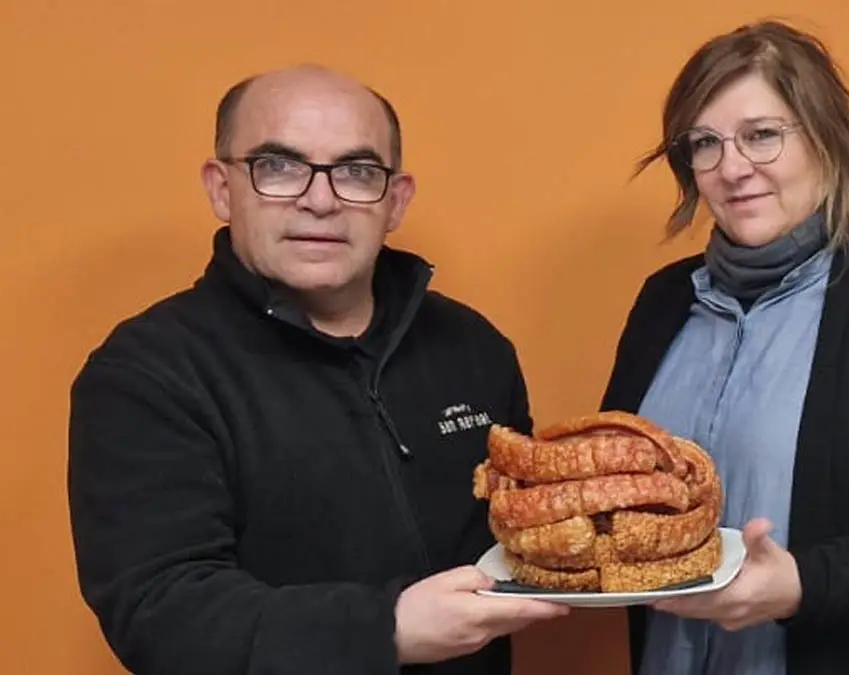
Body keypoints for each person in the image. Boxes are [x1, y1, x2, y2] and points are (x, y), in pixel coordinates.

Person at [66, 65, 567, 675]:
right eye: (278, 166)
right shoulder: (147, 373)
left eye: (357, 172)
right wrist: (387, 630)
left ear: (396, 201)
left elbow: (525, 534)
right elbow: (161, 613)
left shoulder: (473, 346)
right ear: (222, 188)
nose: (320, 199)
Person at [599, 20, 849, 675]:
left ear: (828, 135)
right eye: (705, 143)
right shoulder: (663, 302)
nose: (732, 168)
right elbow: (616, 483)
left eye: (762, 134)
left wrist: (803, 582)